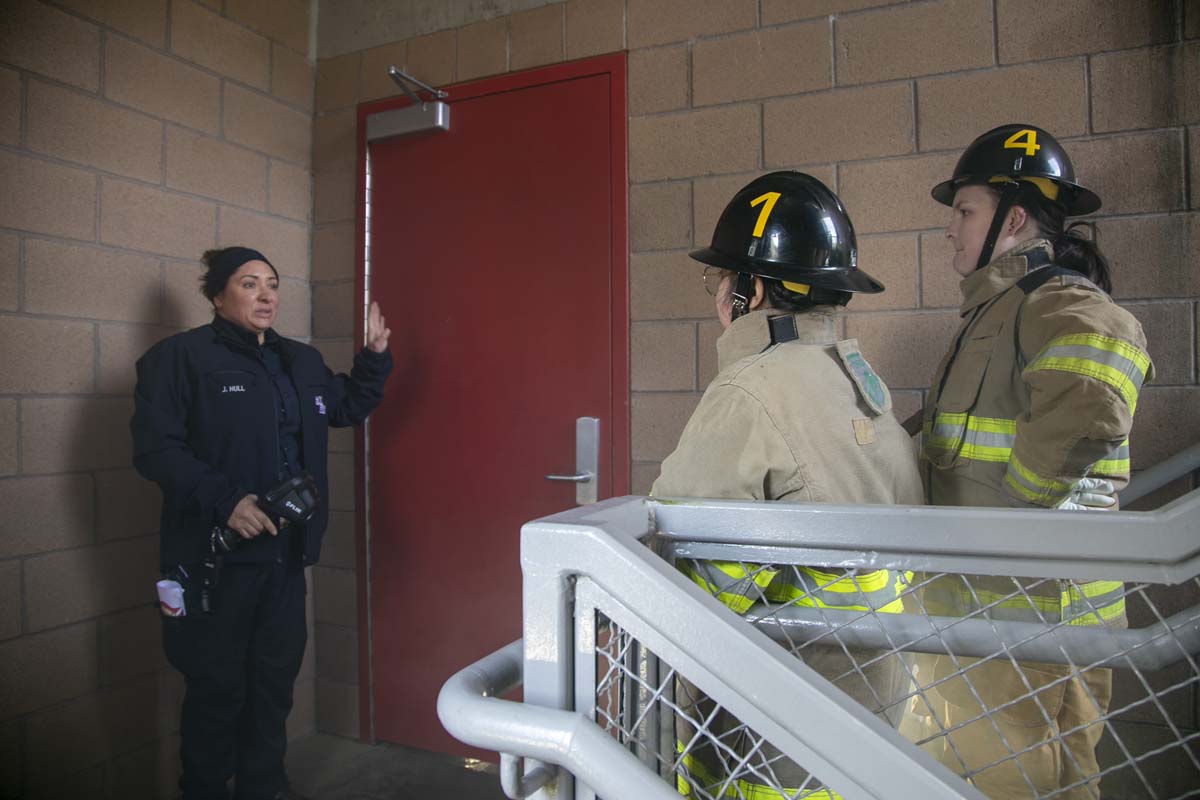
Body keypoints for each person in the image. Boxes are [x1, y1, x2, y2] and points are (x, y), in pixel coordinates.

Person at [652, 172, 924, 799]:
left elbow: (671, 593)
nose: (716, 298)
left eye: (722, 280)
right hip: (869, 729)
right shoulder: (860, 387)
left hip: (779, 750)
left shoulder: (752, 393)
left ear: (750, 290)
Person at [907, 124, 1153, 798]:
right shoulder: (996, 311)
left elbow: (1107, 356)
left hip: (1035, 625)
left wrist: (1024, 501)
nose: (950, 230)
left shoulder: (1053, 301)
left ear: (1013, 219)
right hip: (986, 630)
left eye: (964, 211)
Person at [131, 247, 393, 800]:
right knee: (216, 688)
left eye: (272, 283)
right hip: (214, 559)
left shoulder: (300, 360)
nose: (266, 294)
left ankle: (264, 787)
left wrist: (373, 356)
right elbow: (155, 450)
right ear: (217, 295)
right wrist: (226, 500)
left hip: (285, 556)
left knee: (273, 683)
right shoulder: (179, 360)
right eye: (249, 284)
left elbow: (342, 407)